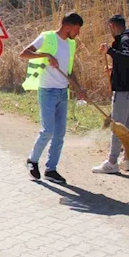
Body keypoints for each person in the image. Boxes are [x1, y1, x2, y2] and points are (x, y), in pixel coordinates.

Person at [20, 12, 87, 185]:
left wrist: (78, 88)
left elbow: (69, 70)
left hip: (62, 92)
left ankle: (51, 169)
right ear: (67, 27)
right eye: (77, 29)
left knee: (59, 134)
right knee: (47, 130)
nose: (77, 33)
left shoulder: (71, 44)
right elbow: (24, 54)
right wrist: (46, 55)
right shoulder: (47, 37)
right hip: (47, 91)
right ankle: (32, 161)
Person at [93, 14, 129, 174]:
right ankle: (127, 160)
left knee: (118, 126)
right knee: (128, 127)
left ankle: (112, 161)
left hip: (126, 90)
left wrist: (110, 51)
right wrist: (115, 70)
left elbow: (127, 58)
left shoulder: (125, 40)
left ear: (112, 26)